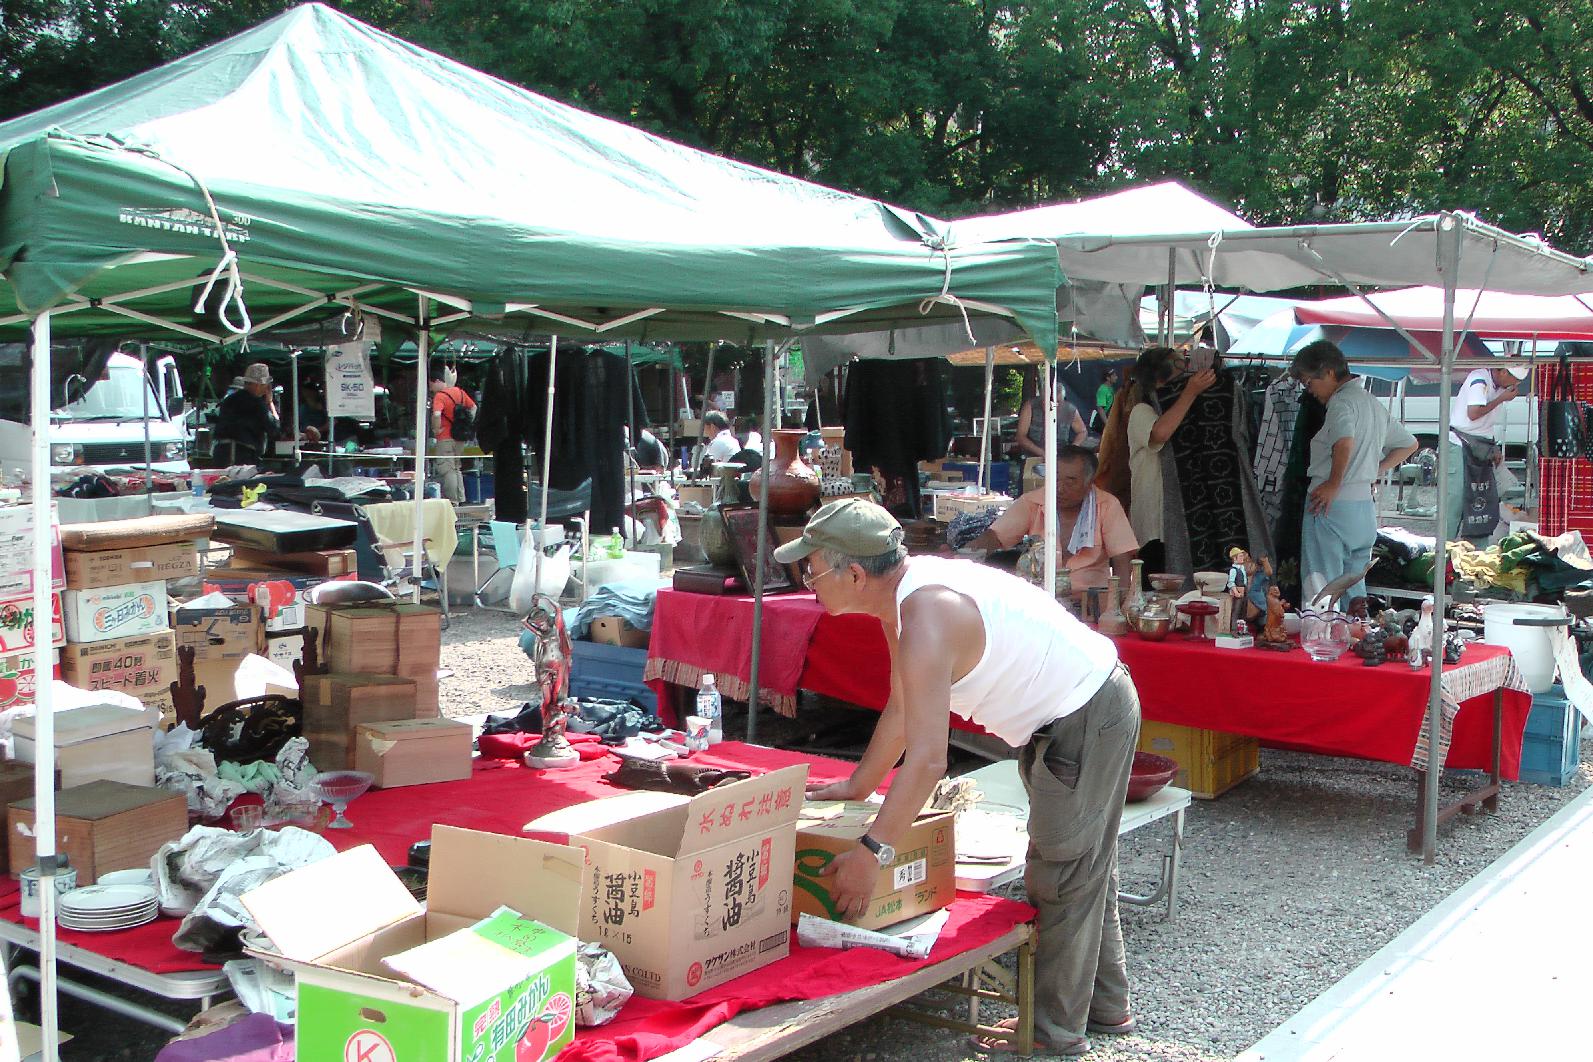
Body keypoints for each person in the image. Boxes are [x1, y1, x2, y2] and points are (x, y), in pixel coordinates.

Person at [775, 499, 1141, 1056]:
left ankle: (1051, 1035)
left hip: (1086, 713)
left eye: (811, 569)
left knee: (1063, 874)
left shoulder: (924, 615)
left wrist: (873, 851)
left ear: (853, 572)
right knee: (1084, 866)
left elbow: (927, 759)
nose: (807, 581)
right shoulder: (906, 599)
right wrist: (858, 784)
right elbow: (903, 707)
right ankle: (1105, 1008)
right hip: (1078, 711)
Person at [1291, 341, 1418, 608]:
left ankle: (1321, 641)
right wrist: (1374, 470)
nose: (1309, 391)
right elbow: (1409, 444)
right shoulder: (1370, 402)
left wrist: (1334, 483)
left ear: (1327, 372)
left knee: (1322, 584)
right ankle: (1356, 637)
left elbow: (1344, 441)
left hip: (1331, 506)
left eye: (1308, 382)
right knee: (1354, 586)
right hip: (1362, 510)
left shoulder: (1341, 402)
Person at [967, 445, 1137, 592]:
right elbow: (994, 537)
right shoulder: (1032, 501)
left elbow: (1123, 559)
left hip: (1089, 600)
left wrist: (1117, 606)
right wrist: (962, 557)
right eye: (1054, 479)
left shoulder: (1107, 505)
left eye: (1070, 482)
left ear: (1089, 483)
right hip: (1041, 599)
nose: (1059, 488)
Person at [1124, 347, 1217, 579]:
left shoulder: (1178, 408)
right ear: (1160, 377)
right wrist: (1191, 392)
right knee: (1155, 583)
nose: (1186, 369)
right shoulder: (1141, 411)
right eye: (1180, 364)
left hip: (1179, 516)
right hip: (1154, 520)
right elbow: (1160, 433)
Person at [1446, 364, 1529, 544]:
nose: (1514, 385)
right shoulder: (1480, 380)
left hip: (1483, 445)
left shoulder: (1499, 387)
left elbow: (1486, 424)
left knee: (1482, 500)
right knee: (1456, 502)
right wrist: (1502, 399)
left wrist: (1494, 447)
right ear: (1503, 372)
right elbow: (1474, 413)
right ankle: (1442, 551)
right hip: (1460, 444)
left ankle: (1476, 550)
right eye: (1513, 380)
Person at [211, 362, 279, 467]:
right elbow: (274, 428)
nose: (266, 389)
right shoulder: (257, 403)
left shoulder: (229, 400)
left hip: (221, 453)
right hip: (241, 456)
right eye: (266, 385)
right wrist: (269, 402)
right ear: (258, 385)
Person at [429, 366, 477, 504]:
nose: (431, 389)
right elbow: (474, 407)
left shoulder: (440, 396)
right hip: (460, 437)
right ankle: (461, 498)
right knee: (457, 468)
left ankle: (452, 500)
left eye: (431, 385)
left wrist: (436, 429)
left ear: (437, 381)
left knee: (447, 468)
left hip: (445, 437)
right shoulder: (460, 392)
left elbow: (437, 414)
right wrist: (468, 422)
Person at [1015, 385, 1088, 462]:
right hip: (1032, 456)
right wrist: (1042, 453)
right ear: (1043, 400)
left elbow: (1082, 432)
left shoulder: (1070, 410)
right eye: (1051, 402)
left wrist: (1073, 447)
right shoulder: (1030, 406)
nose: (1055, 405)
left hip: (1060, 457)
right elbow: (1020, 436)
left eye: (1059, 402)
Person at [1092, 368, 1120, 434]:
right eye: (1114, 376)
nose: (1116, 377)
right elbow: (1100, 408)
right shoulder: (1103, 390)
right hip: (1103, 423)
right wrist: (1107, 424)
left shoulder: (1110, 388)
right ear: (1108, 378)